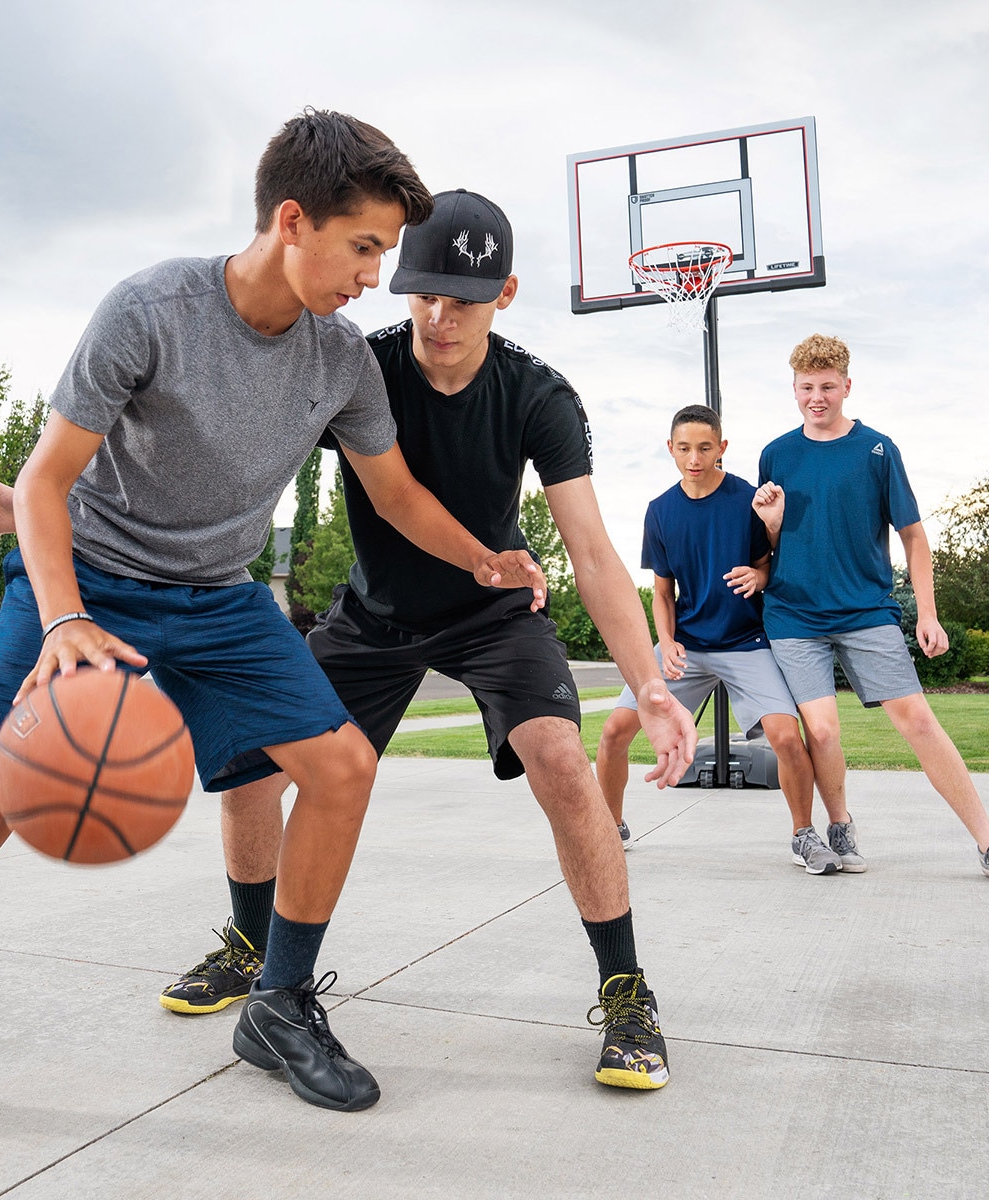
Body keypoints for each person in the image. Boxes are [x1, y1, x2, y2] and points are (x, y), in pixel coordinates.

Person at [0, 114, 552, 1168]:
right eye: (365, 246)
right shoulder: (153, 310)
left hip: (218, 598)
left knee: (338, 769)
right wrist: (63, 622)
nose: (377, 277)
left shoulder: (339, 361)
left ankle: (279, 1004)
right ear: (294, 221)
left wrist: (487, 558)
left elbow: (396, 492)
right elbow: (46, 481)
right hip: (89, 588)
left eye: (384, 252)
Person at [167, 189, 696, 1092]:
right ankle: (251, 952)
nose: (440, 317)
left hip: (495, 609)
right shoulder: (357, 369)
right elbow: (240, 449)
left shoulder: (537, 395)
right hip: (375, 613)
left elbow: (595, 555)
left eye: (465, 298)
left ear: (508, 293)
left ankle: (626, 994)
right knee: (251, 760)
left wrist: (647, 683)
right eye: (422, 294)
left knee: (563, 763)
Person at [753, 333, 989, 876]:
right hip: (793, 614)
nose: (818, 396)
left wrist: (925, 612)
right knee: (824, 730)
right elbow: (763, 546)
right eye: (807, 386)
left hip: (865, 612)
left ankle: (984, 840)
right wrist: (770, 523)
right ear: (793, 389)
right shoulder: (776, 453)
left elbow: (913, 536)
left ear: (847, 387)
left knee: (919, 723)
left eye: (828, 386)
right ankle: (838, 827)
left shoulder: (877, 450)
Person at [595, 404, 847, 874]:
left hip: (747, 642)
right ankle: (610, 827)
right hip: (686, 648)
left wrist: (760, 573)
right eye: (685, 447)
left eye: (705, 447)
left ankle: (803, 836)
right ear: (670, 449)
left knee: (786, 739)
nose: (694, 457)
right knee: (613, 732)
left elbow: (774, 564)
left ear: (722, 449)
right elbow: (663, 592)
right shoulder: (660, 511)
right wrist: (665, 641)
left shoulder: (747, 501)